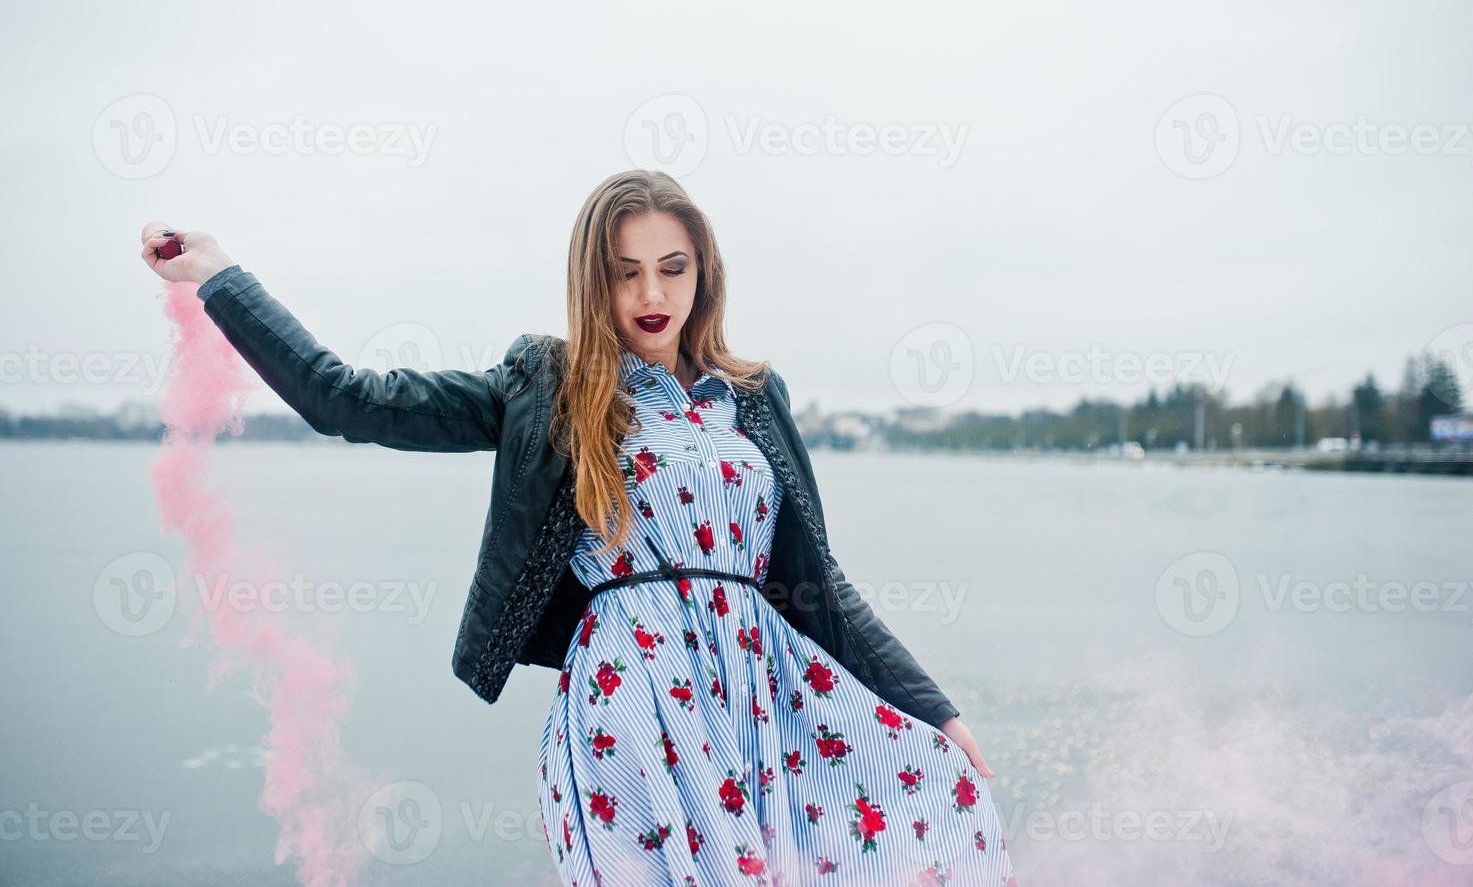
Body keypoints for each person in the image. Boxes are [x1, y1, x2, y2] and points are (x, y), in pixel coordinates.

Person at [139, 170, 1019, 886]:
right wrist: (221, 277)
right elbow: (349, 400)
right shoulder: (547, 388)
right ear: (590, 279)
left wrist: (929, 708)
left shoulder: (752, 398)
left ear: (702, 273)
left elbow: (817, 585)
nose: (649, 292)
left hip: (758, 698)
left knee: (910, 831)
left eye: (672, 267)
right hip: (633, 700)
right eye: (623, 270)